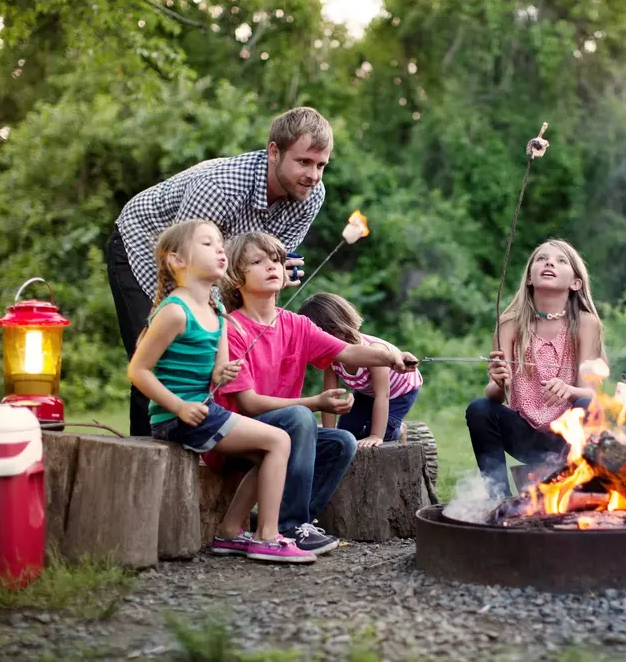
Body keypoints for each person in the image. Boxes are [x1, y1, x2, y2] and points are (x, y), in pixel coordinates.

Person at [108, 107, 332, 437]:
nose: (313, 175)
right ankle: (149, 457)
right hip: (147, 245)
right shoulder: (219, 187)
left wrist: (274, 275)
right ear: (273, 152)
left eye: (321, 165)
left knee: (216, 361)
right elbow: (187, 266)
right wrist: (216, 318)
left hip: (212, 264)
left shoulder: (311, 196)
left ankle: (212, 450)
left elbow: (264, 264)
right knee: (162, 361)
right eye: (303, 162)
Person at [213, 232, 421, 553]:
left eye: (276, 261)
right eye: (257, 262)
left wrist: (390, 357)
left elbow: (349, 352)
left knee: (341, 442)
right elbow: (247, 404)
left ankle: (294, 519)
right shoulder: (232, 329)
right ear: (236, 278)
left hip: (280, 432)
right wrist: (313, 403)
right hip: (238, 432)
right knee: (300, 417)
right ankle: (290, 527)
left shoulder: (297, 325)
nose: (271, 267)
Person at [127, 220, 315, 563]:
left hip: (202, 412)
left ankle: (230, 531)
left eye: (219, 243)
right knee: (279, 441)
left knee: (267, 452)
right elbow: (137, 371)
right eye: (207, 243)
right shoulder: (174, 311)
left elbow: (216, 374)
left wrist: (223, 373)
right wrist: (180, 406)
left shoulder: (217, 312)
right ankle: (268, 537)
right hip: (176, 417)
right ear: (177, 261)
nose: (219, 249)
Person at [465, 240, 606, 498]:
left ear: (576, 283)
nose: (549, 263)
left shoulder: (586, 323)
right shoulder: (509, 324)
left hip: (567, 436)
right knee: (480, 408)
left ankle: (579, 488)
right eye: (541, 259)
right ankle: (499, 499)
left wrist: (569, 389)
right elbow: (496, 395)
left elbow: (589, 393)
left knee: (587, 406)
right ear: (529, 278)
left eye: (561, 261)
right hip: (525, 434)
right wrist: (497, 382)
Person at [298, 292, 424, 447]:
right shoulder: (331, 357)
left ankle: (400, 429)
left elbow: (382, 395)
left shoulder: (373, 352)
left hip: (399, 392)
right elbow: (330, 397)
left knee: (382, 435)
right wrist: (329, 433)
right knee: (347, 429)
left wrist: (376, 435)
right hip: (367, 392)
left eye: (332, 331)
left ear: (341, 326)